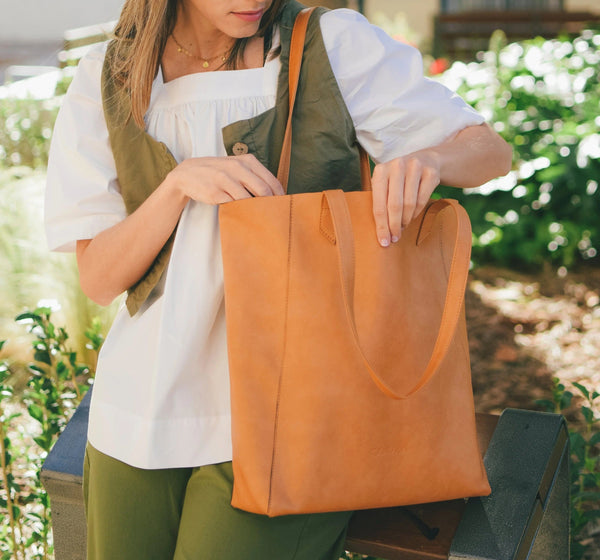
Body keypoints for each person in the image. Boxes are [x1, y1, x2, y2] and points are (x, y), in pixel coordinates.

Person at [45, 0, 512, 558]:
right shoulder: (111, 73)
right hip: (138, 411)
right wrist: (176, 187)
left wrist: (430, 161)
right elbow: (98, 278)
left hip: (298, 413)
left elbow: (489, 150)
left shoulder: (328, 43)